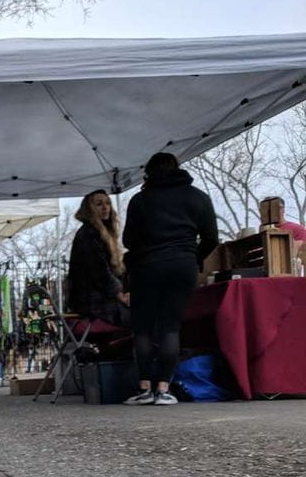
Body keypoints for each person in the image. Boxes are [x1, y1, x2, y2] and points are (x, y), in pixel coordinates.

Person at [122, 152, 219, 406]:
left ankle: (144, 389)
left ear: (149, 172)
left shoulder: (140, 200)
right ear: (177, 169)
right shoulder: (198, 197)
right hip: (182, 266)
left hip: (146, 268)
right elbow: (211, 238)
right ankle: (164, 389)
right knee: (170, 327)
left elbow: (128, 241)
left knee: (142, 328)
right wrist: (192, 257)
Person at [67, 189, 130, 328]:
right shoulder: (89, 234)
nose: (105, 207)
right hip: (91, 301)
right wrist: (120, 294)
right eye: (99, 204)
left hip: (98, 297)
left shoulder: (101, 233)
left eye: (108, 203)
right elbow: (99, 271)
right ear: (89, 209)